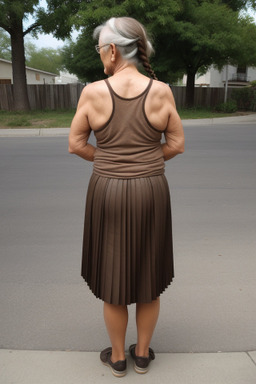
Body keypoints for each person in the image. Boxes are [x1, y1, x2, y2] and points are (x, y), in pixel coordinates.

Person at [69, 16, 185, 378]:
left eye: (100, 49)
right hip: (151, 189)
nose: (100, 56)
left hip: (108, 191)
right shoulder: (162, 90)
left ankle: (118, 357)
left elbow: (76, 144)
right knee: (148, 275)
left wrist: (108, 160)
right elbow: (177, 144)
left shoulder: (93, 92)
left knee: (113, 276)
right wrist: (146, 161)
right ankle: (144, 354)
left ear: (113, 50)